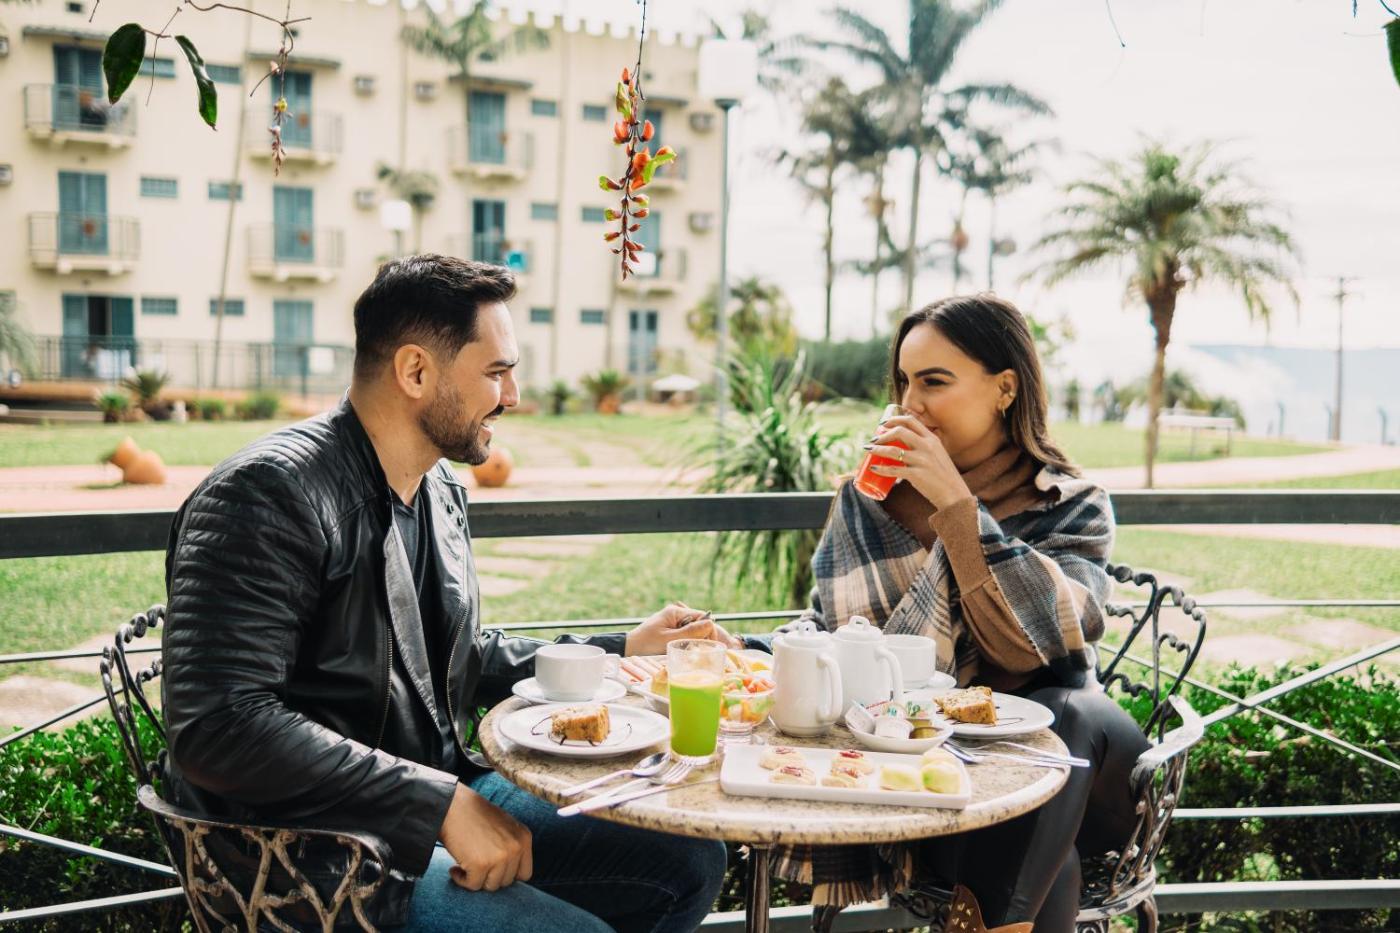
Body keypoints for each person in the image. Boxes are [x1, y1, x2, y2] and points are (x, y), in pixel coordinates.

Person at [161, 255, 728, 932]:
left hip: (424, 800)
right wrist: (437, 804)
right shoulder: (266, 493)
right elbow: (218, 725)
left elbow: (453, 656)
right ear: (415, 372)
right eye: (496, 372)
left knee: (688, 859)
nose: (513, 395)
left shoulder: (436, 488)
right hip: (307, 851)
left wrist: (620, 652)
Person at [717, 294, 1149, 932]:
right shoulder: (870, 504)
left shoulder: (1071, 503)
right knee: (1038, 851)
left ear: (1005, 389)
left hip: (1087, 776)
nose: (909, 404)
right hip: (935, 775)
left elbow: (1041, 649)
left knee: (1067, 715)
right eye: (904, 382)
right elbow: (840, 638)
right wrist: (744, 652)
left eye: (934, 382)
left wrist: (956, 507)